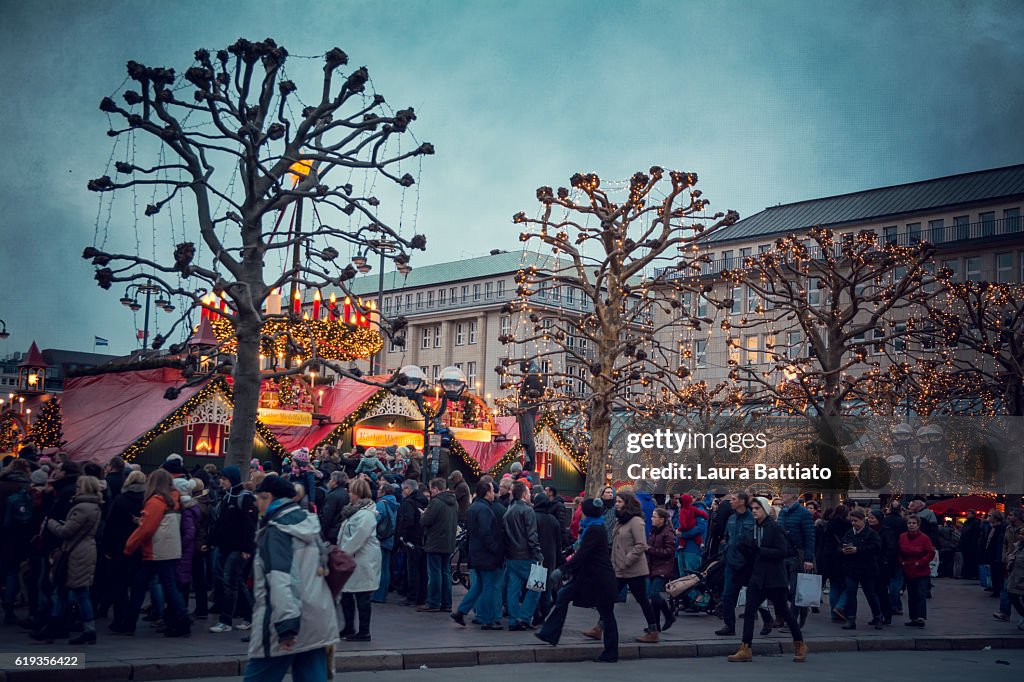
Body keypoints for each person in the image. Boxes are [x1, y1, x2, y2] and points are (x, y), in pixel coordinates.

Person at [243, 475, 337, 682]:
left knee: (259, 676)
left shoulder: (276, 532)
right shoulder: (310, 526)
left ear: (268, 497)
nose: (256, 504)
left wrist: (286, 626)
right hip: (316, 616)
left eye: (257, 498)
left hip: (285, 620)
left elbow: (280, 579)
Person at [534, 498, 619, 663]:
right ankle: (550, 633)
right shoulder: (592, 527)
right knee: (563, 596)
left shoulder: (595, 529)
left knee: (607, 615)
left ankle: (611, 652)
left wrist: (562, 569)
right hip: (588, 577)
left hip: (599, 579)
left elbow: (582, 555)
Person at [727, 497, 807, 663]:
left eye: (758, 508)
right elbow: (752, 554)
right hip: (757, 577)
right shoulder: (753, 529)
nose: (754, 511)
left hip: (774, 578)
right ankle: (745, 648)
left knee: (784, 611)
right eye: (753, 508)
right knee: (749, 611)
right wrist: (745, 549)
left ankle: (799, 643)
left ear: (765, 509)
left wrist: (760, 550)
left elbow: (781, 552)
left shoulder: (775, 528)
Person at [116, 469, 191, 637]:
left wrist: (129, 546)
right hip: (170, 549)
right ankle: (181, 620)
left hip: (156, 550)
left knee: (141, 585)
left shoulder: (156, 501)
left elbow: (147, 529)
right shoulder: (174, 500)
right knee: (167, 587)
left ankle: (130, 623)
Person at [32, 475, 103, 645]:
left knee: (79, 591)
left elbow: (66, 531)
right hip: (83, 549)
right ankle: (55, 624)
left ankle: (89, 629)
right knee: (63, 590)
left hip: (76, 552)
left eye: (79, 486)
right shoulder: (94, 506)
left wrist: (51, 523)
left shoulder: (82, 508)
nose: (76, 489)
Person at [587, 490, 660, 643]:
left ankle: (653, 631)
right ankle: (599, 628)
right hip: (619, 568)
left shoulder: (635, 521)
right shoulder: (621, 520)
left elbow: (641, 545)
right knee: (609, 598)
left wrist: (627, 559)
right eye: (616, 501)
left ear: (627, 503)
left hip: (633, 569)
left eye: (619, 501)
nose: (616, 504)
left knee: (642, 600)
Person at [209, 465, 257, 634]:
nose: (221, 481)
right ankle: (251, 615)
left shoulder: (244, 498)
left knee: (230, 581)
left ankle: (226, 620)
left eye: (225, 479)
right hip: (225, 546)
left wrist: (246, 547)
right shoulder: (226, 498)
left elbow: (249, 525)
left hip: (237, 548)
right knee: (236, 582)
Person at [452, 481, 504, 629]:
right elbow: (486, 533)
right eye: (492, 491)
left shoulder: (474, 507)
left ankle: (461, 611)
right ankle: (488, 620)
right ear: (487, 493)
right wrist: (495, 549)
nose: (494, 493)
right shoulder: (484, 510)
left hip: (476, 552)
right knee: (488, 586)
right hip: (486, 554)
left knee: (478, 586)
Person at [336, 478, 380, 641]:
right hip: (354, 560)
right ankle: (349, 627)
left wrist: (342, 553)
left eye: (351, 491)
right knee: (347, 594)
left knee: (362, 596)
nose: (349, 493)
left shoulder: (365, 514)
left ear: (358, 493)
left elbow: (358, 537)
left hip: (362, 560)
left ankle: (364, 631)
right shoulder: (355, 512)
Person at [104, 470, 146, 633]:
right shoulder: (146, 500)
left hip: (119, 546)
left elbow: (110, 524)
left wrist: (107, 547)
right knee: (136, 586)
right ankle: (131, 620)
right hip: (139, 547)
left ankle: (119, 618)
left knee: (119, 585)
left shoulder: (120, 500)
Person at [502, 480, 543, 630]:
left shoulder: (508, 511)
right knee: (536, 587)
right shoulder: (527, 511)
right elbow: (532, 536)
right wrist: (538, 554)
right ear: (525, 494)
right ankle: (524, 617)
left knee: (513, 589)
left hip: (512, 555)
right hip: (527, 556)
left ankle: (514, 619)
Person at [0, 458, 35, 624]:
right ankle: (10, 605)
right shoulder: (27, 487)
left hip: (2, 531)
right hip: (19, 534)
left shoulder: (2, 484)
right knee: (14, 569)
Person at [715, 491, 754, 637]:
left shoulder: (752, 518)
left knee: (755, 595)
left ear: (742, 502)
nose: (730, 502)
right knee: (727, 595)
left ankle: (767, 619)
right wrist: (726, 549)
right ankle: (729, 625)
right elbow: (726, 537)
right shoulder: (731, 518)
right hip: (731, 562)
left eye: (734, 499)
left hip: (748, 563)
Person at [839, 508, 883, 630]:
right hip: (851, 569)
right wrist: (843, 550)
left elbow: (876, 547)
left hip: (867, 569)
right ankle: (851, 619)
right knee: (851, 594)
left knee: (870, 594)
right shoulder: (849, 533)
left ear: (863, 520)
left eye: (856, 521)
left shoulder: (871, 533)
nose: (853, 523)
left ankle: (878, 617)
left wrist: (857, 550)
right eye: (852, 521)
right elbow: (841, 545)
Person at [419, 478, 458, 613]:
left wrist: (423, 514)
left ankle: (434, 602)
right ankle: (446, 603)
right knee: (445, 572)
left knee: (434, 573)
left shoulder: (436, 502)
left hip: (435, 541)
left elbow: (425, 521)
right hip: (448, 541)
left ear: (435, 489)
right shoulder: (454, 502)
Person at [778, 488, 815, 625]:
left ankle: (792, 620)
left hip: (796, 555)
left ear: (793, 496)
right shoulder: (783, 512)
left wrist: (809, 559)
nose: (782, 496)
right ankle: (802, 607)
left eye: (785, 493)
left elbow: (809, 536)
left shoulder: (803, 513)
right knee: (781, 588)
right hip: (783, 555)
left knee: (794, 589)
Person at [898, 513, 935, 627]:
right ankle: (913, 618)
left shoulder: (924, 538)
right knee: (912, 595)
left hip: (921, 570)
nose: (911, 525)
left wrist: (921, 562)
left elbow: (930, 552)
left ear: (918, 525)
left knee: (920, 594)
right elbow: (898, 551)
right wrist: (901, 562)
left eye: (914, 523)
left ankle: (920, 617)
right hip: (908, 569)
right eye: (909, 523)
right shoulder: (902, 536)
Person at [532, 492, 563, 626]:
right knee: (547, 588)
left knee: (535, 586)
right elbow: (558, 541)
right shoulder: (553, 520)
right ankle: (543, 614)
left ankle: (535, 612)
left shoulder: (533, 517)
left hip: (537, 556)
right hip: (550, 556)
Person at [397, 479, 428, 607]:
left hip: (412, 540)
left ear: (408, 489)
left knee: (413, 569)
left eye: (403, 489)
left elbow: (408, 520)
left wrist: (404, 536)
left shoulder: (408, 503)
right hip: (423, 538)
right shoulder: (424, 500)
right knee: (422, 570)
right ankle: (422, 596)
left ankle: (412, 596)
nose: (402, 492)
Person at [646, 507, 677, 632]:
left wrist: (650, 550)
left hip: (663, 567)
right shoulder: (655, 531)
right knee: (654, 598)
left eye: (654, 516)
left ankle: (669, 615)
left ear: (662, 519)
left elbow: (669, 551)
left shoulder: (667, 533)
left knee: (654, 594)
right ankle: (656, 625)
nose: (652, 518)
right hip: (654, 566)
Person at [823, 505, 852, 623]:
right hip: (843, 557)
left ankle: (834, 614)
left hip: (830, 558)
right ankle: (839, 607)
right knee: (848, 586)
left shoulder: (828, 524)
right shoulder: (848, 525)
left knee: (834, 586)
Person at [371, 483, 400, 604]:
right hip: (390, 538)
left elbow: (375, 520)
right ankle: (383, 593)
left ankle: (378, 595)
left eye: (379, 489)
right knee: (386, 567)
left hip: (380, 538)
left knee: (380, 568)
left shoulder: (381, 504)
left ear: (383, 492)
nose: (377, 491)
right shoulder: (394, 504)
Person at [869, 509, 898, 625]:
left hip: (882, 566)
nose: (870, 520)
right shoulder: (868, 530)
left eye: (872, 518)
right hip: (871, 565)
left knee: (881, 591)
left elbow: (891, 548)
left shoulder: (886, 531)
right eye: (869, 518)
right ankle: (877, 615)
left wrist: (885, 561)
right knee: (873, 592)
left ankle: (886, 614)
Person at [675, 493, 708, 577]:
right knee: (683, 579)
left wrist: (683, 534)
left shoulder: (698, 509)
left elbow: (700, 528)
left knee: (692, 578)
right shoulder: (683, 510)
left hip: (692, 549)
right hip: (683, 549)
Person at [320, 471, 350, 543]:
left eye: (331, 479)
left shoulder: (333, 496)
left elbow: (327, 516)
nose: (329, 481)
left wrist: (321, 533)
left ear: (335, 482)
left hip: (331, 531)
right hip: (339, 529)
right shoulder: (346, 493)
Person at [984, 510, 1007, 599]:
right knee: (994, 572)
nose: (988, 518)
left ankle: (998, 589)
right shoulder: (991, 527)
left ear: (996, 518)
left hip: (997, 553)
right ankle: (996, 589)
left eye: (990, 516)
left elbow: (999, 543)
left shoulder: (1000, 528)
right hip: (992, 553)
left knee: (998, 573)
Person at [960, 509, 982, 581]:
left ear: (973, 514)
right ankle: (967, 574)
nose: (967, 514)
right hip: (965, 544)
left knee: (971, 559)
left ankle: (971, 574)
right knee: (966, 559)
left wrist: (972, 543)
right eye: (967, 513)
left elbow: (975, 535)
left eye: (969, 513)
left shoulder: (975, 523)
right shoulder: (966, 522)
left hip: (971, 544)